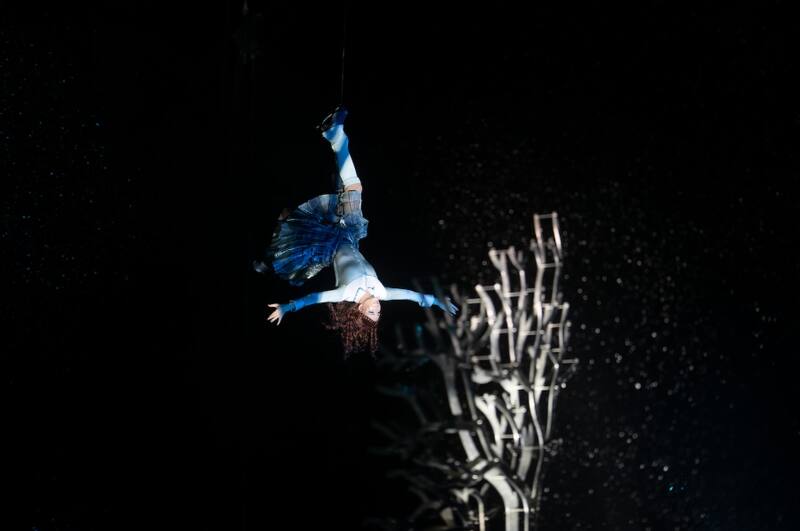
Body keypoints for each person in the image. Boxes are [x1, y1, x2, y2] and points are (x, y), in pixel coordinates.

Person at [257, 106, 458, 355]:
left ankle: (267, 259)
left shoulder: (346, 293)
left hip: (326, 243)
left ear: (360, 310)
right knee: (354, 188)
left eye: (372, 312)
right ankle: (336, 136)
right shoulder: (381, 292)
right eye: (378, 313)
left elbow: (314, 299)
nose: (378, 309)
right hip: (349, 233)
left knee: (290, 221)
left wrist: (286, 308)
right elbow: (412, 296)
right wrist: (438, 301)